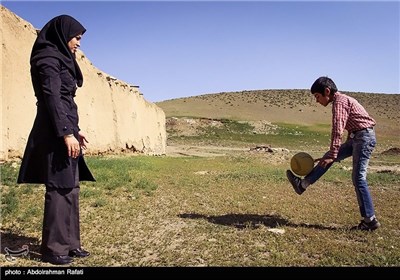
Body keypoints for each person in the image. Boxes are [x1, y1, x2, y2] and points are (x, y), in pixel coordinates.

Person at [17, 15, 96, 265]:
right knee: (59, 189)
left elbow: (64, 100)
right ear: (63, 35)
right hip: (53, 132)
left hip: (64, 127)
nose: (79, 44)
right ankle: (54, 249)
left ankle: (71, 244)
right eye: (77, 38)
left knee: (70, 187)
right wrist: (66, 133)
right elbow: (52, 97)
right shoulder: (48, 58)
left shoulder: (61, 58)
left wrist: (76, 129)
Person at [286, 76, 380, 231]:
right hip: (356, 136)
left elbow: (338, 129)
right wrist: (331, 154)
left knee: (358, 178)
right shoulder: (341, 100)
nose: (317, 101)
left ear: (327, 91)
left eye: (317, 96)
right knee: (327, 157)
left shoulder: (340, 102)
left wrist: (333, 154)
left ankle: (370, 220)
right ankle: (302, 184)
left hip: (363, 138)